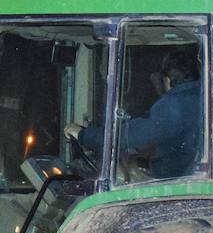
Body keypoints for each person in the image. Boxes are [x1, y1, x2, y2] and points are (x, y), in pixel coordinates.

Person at [66, 51, 202, 179]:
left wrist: (83, 135)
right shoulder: (202, 97)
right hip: (187, 174)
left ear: (167, 80)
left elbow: (129, 137)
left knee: (116, 177)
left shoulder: (173, 105)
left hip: (172, 180)